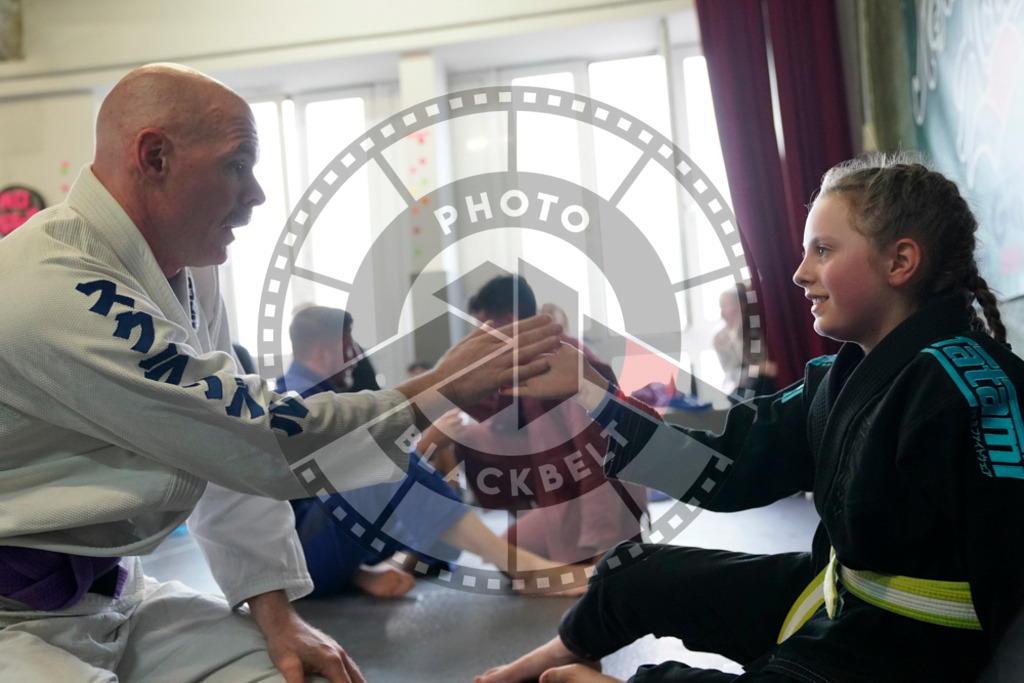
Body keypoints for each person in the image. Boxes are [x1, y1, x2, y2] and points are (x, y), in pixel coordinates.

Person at [0, 63, 562, 683]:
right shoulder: (48, 285)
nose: (256, 193)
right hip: (11, 621)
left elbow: (222, 457)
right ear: (154, 157)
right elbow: (256, 439)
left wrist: (275, 614)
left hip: (117, 597)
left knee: (304, 674)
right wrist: (436, 389)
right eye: (237, 165)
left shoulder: (186, 270)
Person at [477, 156, 1024, 682]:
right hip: (839, 598)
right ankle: (564, 652)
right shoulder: (836, 379)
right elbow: (729, 458)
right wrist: (592, 394)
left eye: (823, 250)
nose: (799, 273)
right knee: (630, 572)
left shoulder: (974, 389)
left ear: (900, 262)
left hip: (914, 645)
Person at [276, 305, 578, 598]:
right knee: (382, 457)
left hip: (332, 537)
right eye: (349, 349)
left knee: (443, 530)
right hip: (301, 557)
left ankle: (368, 572)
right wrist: (428, 440)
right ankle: (522, 568)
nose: (356, 358)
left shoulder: (325, 399)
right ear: (321, 353)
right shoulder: (294, 405)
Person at [452, 275, 647, 566]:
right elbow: (500, 419)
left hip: (600, 504)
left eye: (485, 330)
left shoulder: (571, 363)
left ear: (509, 320)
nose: (481, 340)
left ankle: (595, 550)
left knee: (526, 564)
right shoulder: (524, 362)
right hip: (559, 492)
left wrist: (602, 546)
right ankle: (548, 530)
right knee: (506, 555)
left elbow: (599, 457)